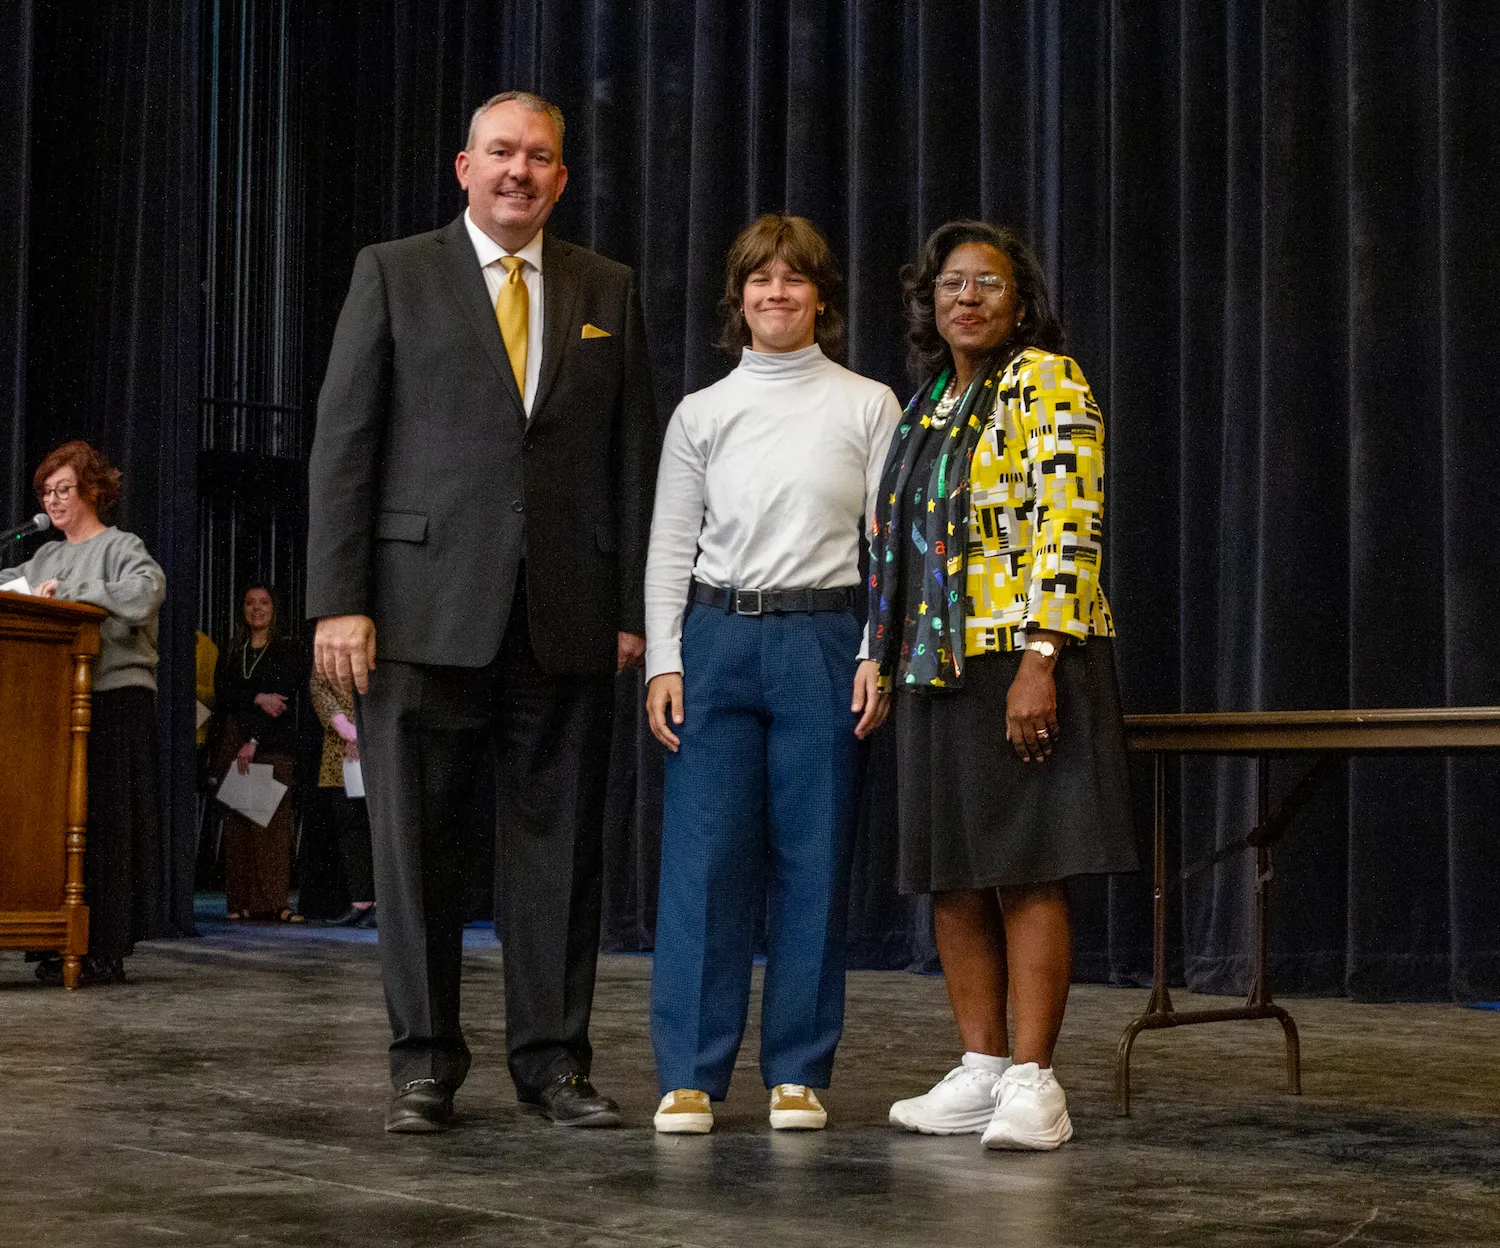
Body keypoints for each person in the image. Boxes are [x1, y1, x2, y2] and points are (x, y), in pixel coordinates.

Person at [306, 90, 658, 1134]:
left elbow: (632, 461)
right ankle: (423, 1064)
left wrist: (632, 605)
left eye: (539, 157)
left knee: (560, 853)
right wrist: (338, 601)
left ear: (561, 176)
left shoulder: (609, 289)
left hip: (566, 617)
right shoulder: (392, 272)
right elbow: (344, 448)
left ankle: (553, 1065)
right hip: (416, 616)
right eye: (501, 153)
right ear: (464, 167)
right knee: (414, 853)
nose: (520, 171)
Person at [870, 222, 1139, 1151]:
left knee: (1026, 867)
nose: (967, 299)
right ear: (929, 303)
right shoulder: (931, 402)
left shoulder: (1046, 380)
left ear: (1019, 301)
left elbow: (1072, 520)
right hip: (937, 660)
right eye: (951, 285)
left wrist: (1040, 657)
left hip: (1023, 657)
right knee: (952, 872)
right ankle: (980, 1069)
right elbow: (893, 546)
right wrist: (878, 650)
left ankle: (1035, 1082)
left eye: (987, 284)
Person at [643, 215, 900, 1135]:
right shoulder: (702, 411)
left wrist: (876, 651)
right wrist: (665, 659)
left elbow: (886, 545)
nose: (777, 293)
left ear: (821, 298)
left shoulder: (869, 403)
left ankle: (797, 1070)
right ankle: (690, 1075)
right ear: (739, 297)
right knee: (704, 866)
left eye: (795, 280)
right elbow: (671, 542)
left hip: (824, 643)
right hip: (717, 637)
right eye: (761, 280)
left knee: (814, 862)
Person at [1, 441, 166, 985]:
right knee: (59, 825)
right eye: (46, 491)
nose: (53, 499)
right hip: (55, 701)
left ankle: (105, 947)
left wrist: (73, 592)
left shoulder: (122, 545)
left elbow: (146, 593)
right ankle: (61, 937)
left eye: (63, 488)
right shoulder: (44, 554)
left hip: (115, 697)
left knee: (107, 823)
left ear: (93, 490)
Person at [213, 583, 303, 923]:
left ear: (274, 610)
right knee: (238, 821)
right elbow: (224, 691)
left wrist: (254, 738)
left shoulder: (287, 649)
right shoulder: (233, 650)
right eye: (250, 603)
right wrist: (255, 697)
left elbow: (279, 699)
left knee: (271, 823)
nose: (257, 609)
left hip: (272, 741)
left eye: (264, 603)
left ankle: (274, 903)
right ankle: (240, 901)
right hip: (233, 739)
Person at [309, 671, 376, 927]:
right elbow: (318, 686)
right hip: (340, 747)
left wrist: (364, 730)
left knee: (382, 826)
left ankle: (385, 902)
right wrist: (343, 725)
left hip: (379, 739)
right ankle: (361, 900)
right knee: (350, 824)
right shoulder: (330, 638)